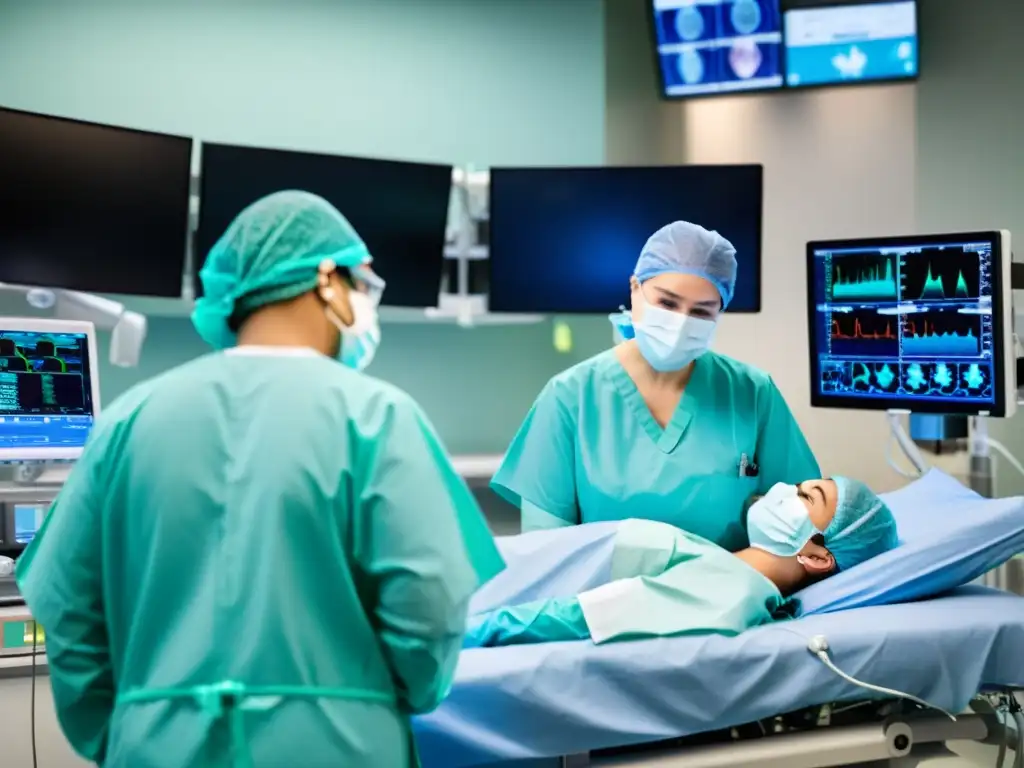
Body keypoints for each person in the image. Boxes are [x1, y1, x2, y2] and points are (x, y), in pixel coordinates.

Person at [15, 190, 505, 768]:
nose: (367, 303)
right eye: (362, 283)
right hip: (336, 746)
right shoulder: (376, 417)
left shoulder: (129, 420)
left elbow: (67, 606)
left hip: (157, 749)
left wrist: (129, 727)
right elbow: (429, 600)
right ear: (327, 278)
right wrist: (368, 706)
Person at [492, 221, 820, 548]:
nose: (680, 323)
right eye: (667, 303)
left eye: (701, 312)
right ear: (635, 288)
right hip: (601, 597)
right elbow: (545, 554)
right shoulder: (569, 397)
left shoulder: (752, 394)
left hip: (727, 595)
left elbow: (801, 529)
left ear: (720, 312)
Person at [466, 476, 897, 648]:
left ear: (818, 555)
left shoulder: (735, 590)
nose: (784, 486)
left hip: (471, 598)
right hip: (484, 573)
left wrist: (468, 632)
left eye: (806, 496)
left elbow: (578, 616)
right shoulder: (724, 565)